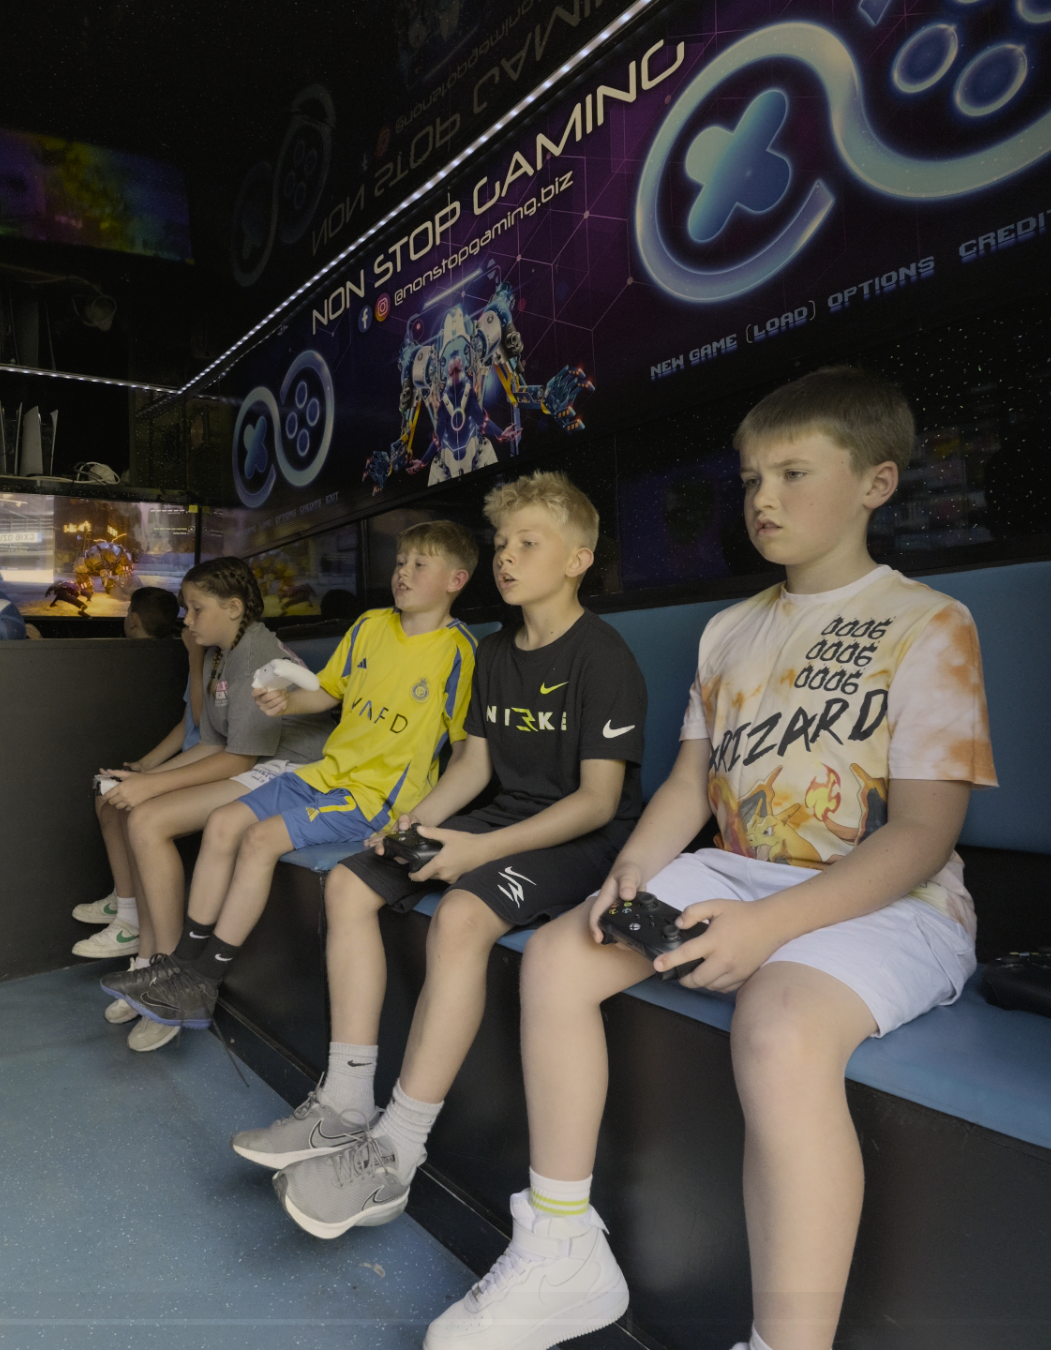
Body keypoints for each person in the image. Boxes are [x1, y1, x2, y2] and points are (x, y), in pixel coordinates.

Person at [424, 367, 997, 1350]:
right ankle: (563, 1248)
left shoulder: (930, 623)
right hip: (737, 869)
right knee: (559, 955)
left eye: (793, 473)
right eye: (750, 480)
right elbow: (690, 786)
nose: (763, 498)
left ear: (876, 482)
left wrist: (770, 928)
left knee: (778, 1024)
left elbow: (922, 835)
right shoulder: (731, 630)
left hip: (893, 894)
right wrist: (634, 871)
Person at [238, 470, 647, 1248]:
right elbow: (473, 767)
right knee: (350, 886)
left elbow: (598, 802)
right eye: (503, 543)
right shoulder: (493, 653)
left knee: (460, 915)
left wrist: (479, 848)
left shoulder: (603, 656)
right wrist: (415, 820)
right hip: (497, 815)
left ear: (577, 560)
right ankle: (346, 1101)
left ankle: (396, 1151)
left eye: (529, 543)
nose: (507, 556)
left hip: (582, 837)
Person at [111, 522, 478, 1036]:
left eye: (420, 565)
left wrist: (419, 818)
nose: (403, 573)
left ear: (456, 580)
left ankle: (203, 979)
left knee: (258, 839)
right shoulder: (370, 625)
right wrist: (285, 703)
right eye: (400, 563)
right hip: (323, 772)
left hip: (373, 797)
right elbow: (327, 693)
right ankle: (180, 964)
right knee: (223, 823)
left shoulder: (460, 651)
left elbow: (466, 754)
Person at [97, 557, 335, 1052]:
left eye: (196, 608)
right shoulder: (219, 655)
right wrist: (146, 779)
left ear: (234, 607)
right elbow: (211, 743)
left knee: (149, 820)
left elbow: (239, 757)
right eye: (186, 609)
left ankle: (170, 977)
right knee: (135, 809)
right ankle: (148, 962)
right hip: (254, 762)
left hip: (296, 768)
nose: (187, 620)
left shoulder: (257, 652)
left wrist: (152, 788)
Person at [73, 588, 198, 967]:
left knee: (130, 806)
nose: (188, 623)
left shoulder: (212, 660)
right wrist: (145, 765)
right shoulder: (208, 658)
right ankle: (124, 902)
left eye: (196, 610)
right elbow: (189, 723)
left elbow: (211, 736)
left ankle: (132, 923)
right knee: (106, 791)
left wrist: (195, 660)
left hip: (207, 768)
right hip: (192, 760)